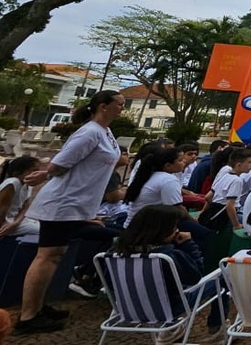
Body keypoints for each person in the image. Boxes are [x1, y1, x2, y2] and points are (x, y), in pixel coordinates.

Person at [16, 91, 124, 335]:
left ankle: (37, 306)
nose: (122, 109)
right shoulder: (89, 132)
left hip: (76, 204)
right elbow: (61, 162)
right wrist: (45, 173)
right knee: (47, 256)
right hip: (63, 202)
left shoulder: (105, 132)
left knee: (55, 255)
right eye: (119, 104)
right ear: (103, 106)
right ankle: (28, 316)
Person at [112, 204, 226, 342]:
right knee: (222, 276)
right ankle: (217, 327)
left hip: (127, 307)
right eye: (174, 227)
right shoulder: (168, 256)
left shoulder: (114, 254)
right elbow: (195, 277)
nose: (177, 230)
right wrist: (188, 244)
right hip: (170, 308)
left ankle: (171, 330)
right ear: (162, 231)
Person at [199, 149, 251, 232]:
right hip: (224, 217)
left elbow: (208, 197)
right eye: (249, 162)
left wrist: (203, 212)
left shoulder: (225, 175)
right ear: (239, 165)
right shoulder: (237, 181)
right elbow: (229, 205)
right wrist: (236, 225)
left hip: (213, 211)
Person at [0, 156, 40, 237]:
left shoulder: (28, 185)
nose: (37, 174)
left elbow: (24, 208)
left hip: (15, 221)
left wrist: (16, 223)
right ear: (18, 173)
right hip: (4, 223)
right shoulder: (13, 182)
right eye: (34, 170)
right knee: (43, 231)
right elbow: (2, 209)